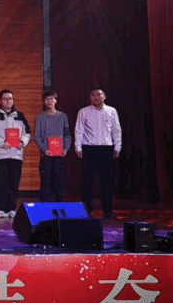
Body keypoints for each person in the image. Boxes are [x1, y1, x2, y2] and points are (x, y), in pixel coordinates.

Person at [75, 86, 122, 220]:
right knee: (88, 182)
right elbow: (79, 130)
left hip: (107, 149)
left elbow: (116, 130)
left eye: (99, 94)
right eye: (93, 95)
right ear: (90, 98)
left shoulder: (111, 111)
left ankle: (108, 210)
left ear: (104, 96)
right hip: (89, 149)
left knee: (107, 181)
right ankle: (86, 210)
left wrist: (117, 147)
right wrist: (78, 147)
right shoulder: (83, 112)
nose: (96, 97)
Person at [0, 89, 31, 218]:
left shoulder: (20, 115)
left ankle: (12, 207)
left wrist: (23, 141)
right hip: (0, 154)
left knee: (14, 181)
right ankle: (0, 208)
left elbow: (27, 132)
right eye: (5, 99)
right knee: (1, 182)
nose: (8, 101)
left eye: (10, 99)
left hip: (16, 154)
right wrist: (2, 143)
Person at [34, 90, 72, 201]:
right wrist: (45, 149)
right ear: (44, 102)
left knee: (60, 182)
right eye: (47, 99)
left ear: (56, 100)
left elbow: (67, 135)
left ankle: (60, 207)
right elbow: (37, 136)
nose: (49, 101)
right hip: (46, 155)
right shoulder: (40, 117)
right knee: (46, 183)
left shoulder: (63, 116)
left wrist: (66, 148)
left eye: (51, 99)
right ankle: (45, 207)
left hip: (60, 155)